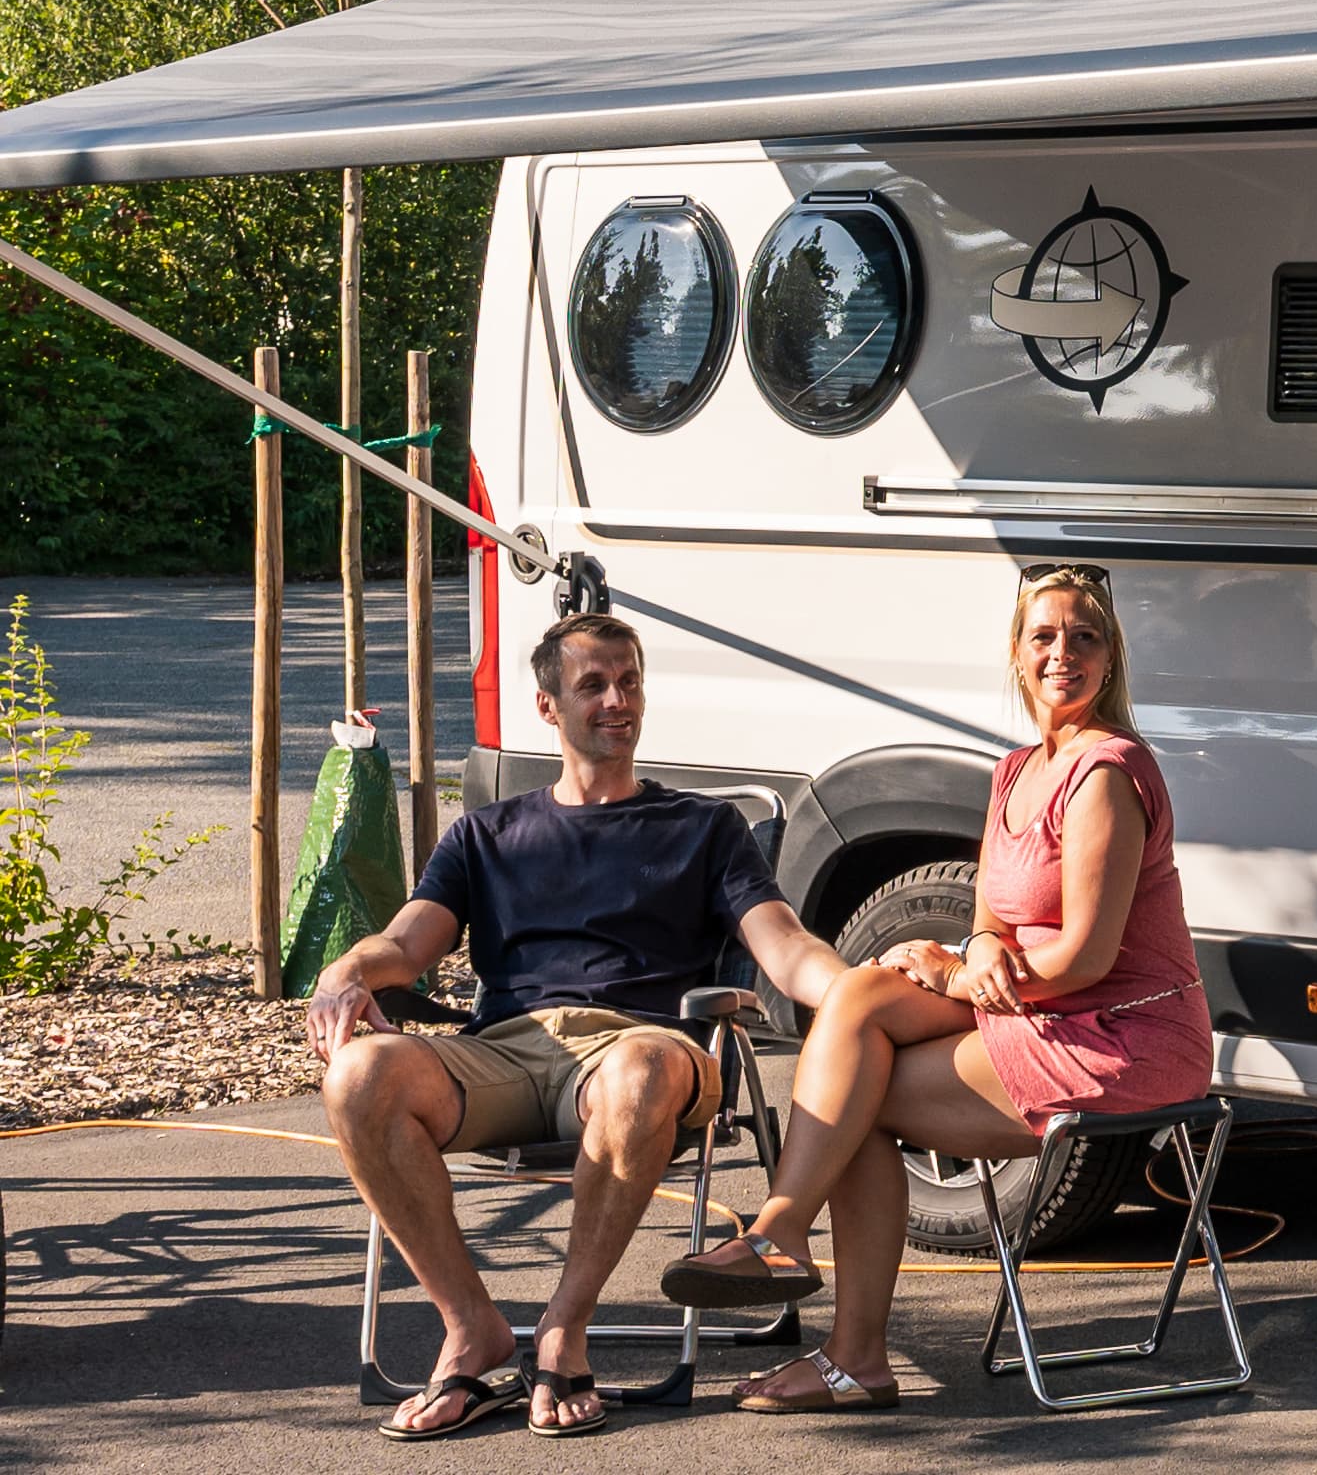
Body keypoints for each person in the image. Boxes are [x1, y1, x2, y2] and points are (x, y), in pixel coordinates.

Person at [659, 563, 1212, 1415]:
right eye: (1044, 636)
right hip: (1043, 1010)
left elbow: (1088, 958)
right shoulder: (1017, 770)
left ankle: (834, 1326)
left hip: (1123, 1033)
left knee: (861, 1102)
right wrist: (975, 947)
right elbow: (992, 915)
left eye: (1085, 637)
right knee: (866, 995)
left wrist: (961, 970)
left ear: (1110, 658)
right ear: (1019, 655)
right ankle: (786, 1245)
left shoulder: (1106, 772)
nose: (1063, 652)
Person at [307, 612, 848, 1440]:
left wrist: (858, 990)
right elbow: (407, 942)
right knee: (357, 1076)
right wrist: (347, 971)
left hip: (650, 1047)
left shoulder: (703, 828)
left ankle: (564, 1326)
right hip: (509, 1050)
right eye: (592, 685)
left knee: (635, 1071)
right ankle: (471, 1329)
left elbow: (785, 947)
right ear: (547, 707)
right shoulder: (488, 833)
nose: (616, 701)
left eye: (629, 681)